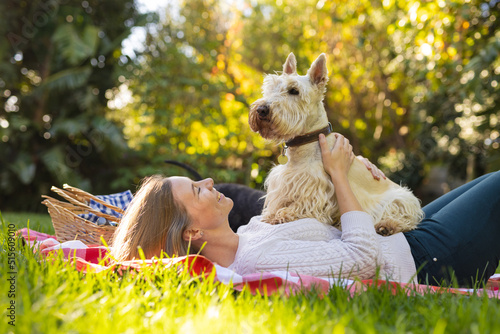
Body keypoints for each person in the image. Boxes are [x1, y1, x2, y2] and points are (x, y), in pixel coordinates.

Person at [111, 134, 500, 287]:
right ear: (191, 232)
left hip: (405, 239)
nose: (210, 183)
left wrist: (355, 171)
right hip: (424, 259)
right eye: (198, 190)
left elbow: (315, 205)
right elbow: (362, 258)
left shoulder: (248, 233)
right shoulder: (257, 257)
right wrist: (338, 173)